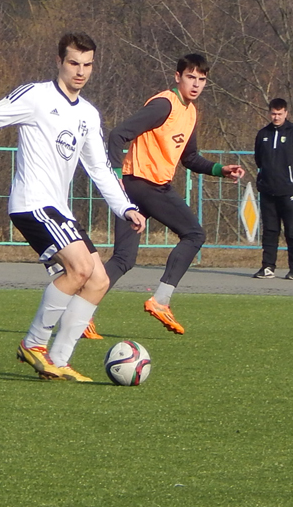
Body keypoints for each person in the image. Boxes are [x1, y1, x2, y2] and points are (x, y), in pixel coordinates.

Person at [0, 32, 146, 382]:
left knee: (98, 279)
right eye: (73, 63)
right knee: (79, 270)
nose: (80, 71)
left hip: (59, 210)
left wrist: (125, 207)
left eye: (87, 65)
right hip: (33, 204)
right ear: (59, 62)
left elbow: (99, 167)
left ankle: (58, 360)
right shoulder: (36, 96)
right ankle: (34, 344)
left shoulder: (88, 114)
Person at [104, 53, 245, 335]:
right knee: (194, 234)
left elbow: (190, 158)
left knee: (124, 259)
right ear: (177, 76)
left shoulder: (190, 112)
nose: (196, 84)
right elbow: (117, 134)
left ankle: (80, 310)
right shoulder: (164, 105)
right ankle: (160, 301)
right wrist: (115, 174)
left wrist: (220, 169)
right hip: (145, 184)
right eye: (190, 77)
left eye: (201, 79)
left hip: (137, 187)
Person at [253, 98, 293, 280]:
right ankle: (268, 266)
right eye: (273, 113)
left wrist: (290, 178)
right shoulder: (263, 134)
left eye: (279, 114)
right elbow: (259, 159)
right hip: (268, 191)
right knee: (270, 231)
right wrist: (265, 178)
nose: (276, 117)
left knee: (292, 231)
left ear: (286, 113)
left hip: (289, 192)